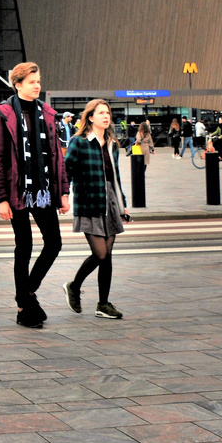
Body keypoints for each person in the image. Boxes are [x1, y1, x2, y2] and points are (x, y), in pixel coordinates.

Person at [0, 62, 69, 328]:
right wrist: (1, 198)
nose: (38, 85)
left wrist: (63, 192)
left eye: (39, 80)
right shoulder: (2, 115)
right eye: (33, 81)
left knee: (54, 243)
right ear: (18, 84)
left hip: (43, 190)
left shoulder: (47, 114)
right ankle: (25, 305)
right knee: (24, 247)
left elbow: (57, 156)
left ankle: (25, 293)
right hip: (16, 190)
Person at [64, 98, 125, 320]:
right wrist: (64, 196)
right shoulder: (79, 142)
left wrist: (122, 205)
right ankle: (74, 285)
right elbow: (67, 171)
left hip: (109, 201)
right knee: (100, 253)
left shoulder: (112, 144)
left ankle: (103, 304)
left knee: (107, 256)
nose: (106, 116)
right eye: (101, 113)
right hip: (89, 201)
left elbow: (115, 178)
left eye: (108, 113)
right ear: (90, 117)